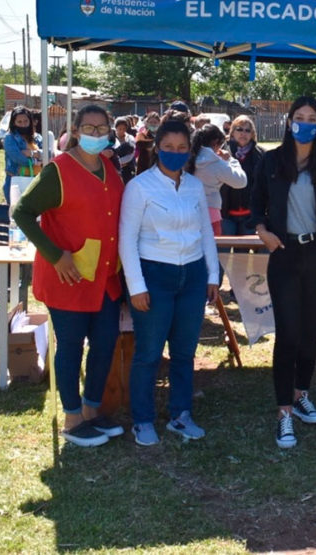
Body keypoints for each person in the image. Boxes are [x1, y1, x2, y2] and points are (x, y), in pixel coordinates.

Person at [13, 105, 125, 447]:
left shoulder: (109, 168)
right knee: (72, 346)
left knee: (105, 343)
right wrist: (54, 254)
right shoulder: (58, 170)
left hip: (104, 278)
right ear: (75, 130)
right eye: (88, 127)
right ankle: (73, 418)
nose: (95, 133)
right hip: (70, 277)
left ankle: (92, 410)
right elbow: (23, 212)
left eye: (101, 128)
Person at [249, 96, 316, 449]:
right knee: (288, 334)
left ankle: (301, 393)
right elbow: (255, 203)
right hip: (284, 256)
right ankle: (284, 413)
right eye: (299, 117)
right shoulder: (271, 160)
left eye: (312, 119)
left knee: (309, 334)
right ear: (289, 121)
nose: (305, 123)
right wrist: (262, 231)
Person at [120, 120, 219, 446]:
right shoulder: (139, 187)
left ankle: (180, 415)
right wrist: (136, 286)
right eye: (168, 148)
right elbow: (127, 240)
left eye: (181, 148)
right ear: (156, 148)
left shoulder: (194, 186)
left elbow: (206, 231)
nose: (175, 153)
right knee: (149, 353)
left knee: (184, 352)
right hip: (154, 277)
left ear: (189, 151)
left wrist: (212, 275)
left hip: (192, 276)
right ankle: (142, 420)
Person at [187, 124, 247, 237]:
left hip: (187, 213)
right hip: (211, 214)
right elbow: (241, 181)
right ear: (215, 143)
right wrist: (230, 160)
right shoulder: (215, 163)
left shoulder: (187, 159)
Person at [221, 115, 264, 236]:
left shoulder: (261, 155)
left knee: (245, 249)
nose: (243, 133)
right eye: (239, 129)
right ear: (232, 132)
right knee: (224, 248)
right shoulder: (222, 152)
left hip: (250, 215)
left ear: (252, 134)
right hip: (226, 214)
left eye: (247, 130)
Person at [2, 105, 43, 204]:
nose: (23, 124)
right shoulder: (9, 138)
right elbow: (18, 158)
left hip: (36, 180)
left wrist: (32, 153)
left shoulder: (37, 137)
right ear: (13, 122)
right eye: (19, 122)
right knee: (15, 211)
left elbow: (47, 154)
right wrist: (35, 160)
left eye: (25, 121)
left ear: (30, 121)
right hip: (15, 180)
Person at [113, 116, 137, 183]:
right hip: (113, 168)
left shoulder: (130, 138)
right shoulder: (111, 138)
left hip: (127, 168)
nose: (122, 131)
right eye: (120, 128)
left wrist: (119, 162)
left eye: (124, 128)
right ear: (116, 128)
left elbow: (131, 155)